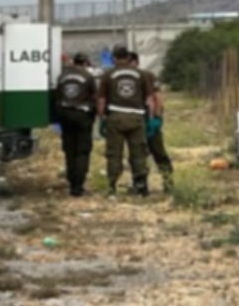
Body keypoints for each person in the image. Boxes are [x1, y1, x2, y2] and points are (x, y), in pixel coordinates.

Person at [95, 46, 154, 197]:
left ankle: (112, 187)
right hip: (136, 118)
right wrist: (151, 118)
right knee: (139, 153)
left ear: (114, 58)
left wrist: (101, 118)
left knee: (114, 154)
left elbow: (101, 99)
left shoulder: (108, 75)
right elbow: (149, 99)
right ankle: (142, 187)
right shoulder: (141, 74)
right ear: (128, 58)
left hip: (116, 118)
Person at [55, 52, 97, 197]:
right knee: (82, 151)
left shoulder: (62, 76)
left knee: (69, 150)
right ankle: (78, 185)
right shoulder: (88, 76)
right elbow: (94, 96)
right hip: (82, 116)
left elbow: (57, 96)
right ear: (85, 62)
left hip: (66, 115)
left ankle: (71, 181)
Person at [129, 51, 172, 192]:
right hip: (135, 120)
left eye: (129, 62)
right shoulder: (124, 78)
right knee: (137, 154)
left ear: (135, 62)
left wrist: (157, 117)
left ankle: (168, 181)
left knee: (157, 150)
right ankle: (140, 185)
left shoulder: (147, 76)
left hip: (148, 118)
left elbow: (157, 97)